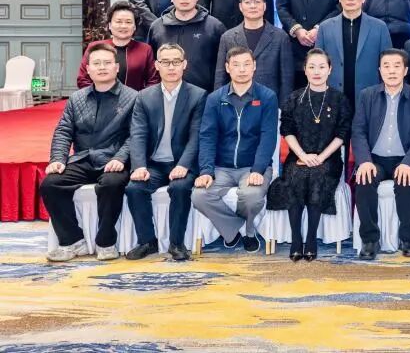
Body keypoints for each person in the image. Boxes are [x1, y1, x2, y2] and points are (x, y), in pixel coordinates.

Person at [40, 43, 139, 262]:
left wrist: (120, 158)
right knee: (50, 184)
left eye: (107, 63)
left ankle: (106, 242)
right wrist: (58, 159)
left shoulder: (133, 97)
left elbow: (136, 135)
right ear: (88, 69)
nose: (102, 67)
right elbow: (63, 130)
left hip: (114, 160)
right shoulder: (77, 98)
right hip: (84, 158)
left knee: (112, 184)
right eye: (96, 63)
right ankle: (73, 241)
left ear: (117, 67)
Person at [266, 49, 352, 262]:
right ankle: (296, 239)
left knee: (317, 175)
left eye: (322, 67)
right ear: (304, 70)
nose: (316, 71)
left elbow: (342, 134)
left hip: (329, 159)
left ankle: (311, 238)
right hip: (298, 156)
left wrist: (321, 157)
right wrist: (303, 155)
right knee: (296, 175)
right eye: (312, 67)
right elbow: (286, 130)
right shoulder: (294, 98)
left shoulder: (339, 99)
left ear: (330, 70)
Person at [123, 43, 207, 262]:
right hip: (154, 163)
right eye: (166, 62)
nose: (171, 67)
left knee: (179, 188)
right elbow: (138, 134)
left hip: (182, 162)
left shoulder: (197, 95)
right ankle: (147, 241)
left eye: (176, 62)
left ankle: (176, 243)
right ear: (157, 65)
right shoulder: (144, 96)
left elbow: (196, 136)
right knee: (134, 188)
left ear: (184, 64)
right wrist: (139, 166)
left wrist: (184, 165)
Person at [192, 47, 279, 253]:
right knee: (199, 196)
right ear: (227, 68)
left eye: (246, 64)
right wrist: (206, 171)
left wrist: (258, 170)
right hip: (221, 167)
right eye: (236, 65)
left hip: (252, 167)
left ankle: (248, 232)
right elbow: (207, 136)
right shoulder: (215, 98)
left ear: (254, 66)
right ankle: (235, 231)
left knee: (252, 197)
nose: (241, 69)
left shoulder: (267, 97)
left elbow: (268, 137)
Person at [352, 49, 410, 260]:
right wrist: (364, 161)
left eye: (397, 66)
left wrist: (409, 163)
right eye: (386, 66)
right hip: (375, 160)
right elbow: (358, 131)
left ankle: (408, 239)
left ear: (405, 70)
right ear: (379, 70)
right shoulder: (367, 95)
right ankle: (370, 239)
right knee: (364, 180)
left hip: (405, 159)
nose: (391, 71)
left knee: (405, 181)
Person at [314, 0, 392, 110]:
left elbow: (388, 64)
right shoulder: (325, 27)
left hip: (370, 98)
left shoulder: (379, 27)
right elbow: (317, 64)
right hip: (332, 98)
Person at [214, 0, 295, 103]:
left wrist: (283, 109)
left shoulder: (281, 37)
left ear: (265, 5)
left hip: (269, 104)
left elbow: (287, 80)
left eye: (257, 1)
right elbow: (220, 78)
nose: (253, 6)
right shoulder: (227, 37)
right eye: (247, 2)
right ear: (240, 6)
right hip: (236, 104)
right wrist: (220, 105)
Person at [147, 0, 227, 92]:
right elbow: (150, 67)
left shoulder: (214, 27)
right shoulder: (157, 27)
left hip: (206, 96)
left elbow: (223, 68)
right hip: (165, 96)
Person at [77, 1, 159, 91]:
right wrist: (99, 96)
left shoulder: (145, 50)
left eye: (128, 22)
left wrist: (140, 97)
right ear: (109, 25)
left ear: (135, 26)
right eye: (118, 22)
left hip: (136, 99)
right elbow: (83, 80)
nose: (123, 26)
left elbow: (153, 81)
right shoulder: (95, 47)